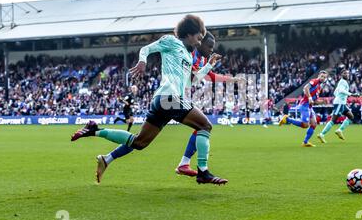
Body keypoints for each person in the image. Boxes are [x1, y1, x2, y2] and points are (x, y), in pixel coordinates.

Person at [71, 14, 228, 185]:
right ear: (189, 33)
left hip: (165, 101)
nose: (199, 42)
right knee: (205, 126)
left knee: (139, 142)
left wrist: (209, 64)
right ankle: (203, 172)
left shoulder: (188, 56)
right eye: (198, 37)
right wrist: (142, 62)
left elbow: (192, 81)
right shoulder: (171, 41)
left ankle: (94, 130)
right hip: (169, 97)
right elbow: (146, 49)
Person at [175, 31, 244, 177]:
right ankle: (197, 169)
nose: (211, 49)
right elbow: (195, 77)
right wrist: (210, 65)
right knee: (140, 140)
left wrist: (231, 80)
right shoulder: (191, 54)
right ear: (199, 42)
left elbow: (209, 76)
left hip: (177, 96)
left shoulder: (200, 59)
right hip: (170, 97)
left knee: (140, 140)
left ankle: (184, 164)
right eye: (209, 46)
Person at [278, 71, 329, 147]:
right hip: (304, 105)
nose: (323, 78)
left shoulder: (319, 88)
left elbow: (315, 101)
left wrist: (323, 102)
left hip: (309, 107)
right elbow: (305, 88)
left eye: (324, 77)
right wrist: (309, 97)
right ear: (319, 75)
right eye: (322, 76)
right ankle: (287, 119)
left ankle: (305, 142)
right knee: (305, 125)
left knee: (314, 124)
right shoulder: (315, 81)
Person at [317, 69, 359, 143]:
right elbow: (341, 91)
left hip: (342, 103)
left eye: (348, 73)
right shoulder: (343, 82)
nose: (347, 74)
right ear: (341, 74)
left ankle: (339, 130)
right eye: (345, 73)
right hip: (339, 103)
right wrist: (351, 94)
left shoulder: (342, 82)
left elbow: (336, 92)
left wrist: (340, 97)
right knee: (333, 120)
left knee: (351, 116)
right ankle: (321, 134)